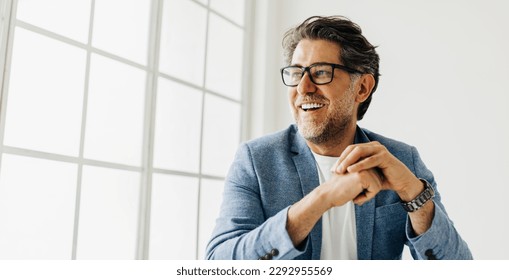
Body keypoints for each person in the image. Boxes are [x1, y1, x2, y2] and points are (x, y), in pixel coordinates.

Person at [205, 15, 472, 260]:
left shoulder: (402, 161)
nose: (303, 88)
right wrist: (320, 199)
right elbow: (217, 265)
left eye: (321, 72)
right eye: (296, 72)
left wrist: (414, 195)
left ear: (363, 88)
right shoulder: (256, 160)